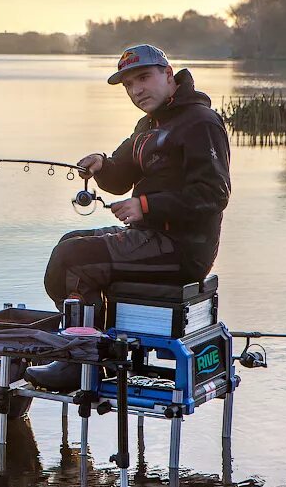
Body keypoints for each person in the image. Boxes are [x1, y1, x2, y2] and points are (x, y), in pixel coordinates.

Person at [26, 44, 232, 392]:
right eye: (129, 85)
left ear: (168, 75)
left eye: (143, 78)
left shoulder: (201, 123)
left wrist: (146, 206)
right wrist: (102, 165)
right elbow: (120, 175)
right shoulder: (149, 125)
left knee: (72, 260)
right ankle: (93, 347)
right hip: (151, 237)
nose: (136, 90)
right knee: (68, 244)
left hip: (183, 249)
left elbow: (214, 194)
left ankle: (82, 362)